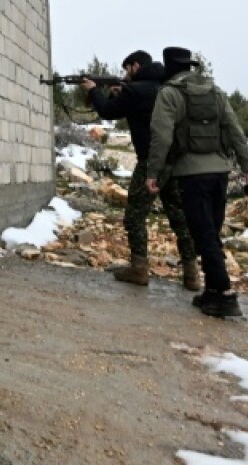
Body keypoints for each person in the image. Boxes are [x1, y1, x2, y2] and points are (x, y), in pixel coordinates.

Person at [144, 47, 248, 318]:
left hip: (189, 173)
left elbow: (161, 137)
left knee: (203, 233)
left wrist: (153, 173)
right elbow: (234, 130)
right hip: (219, 172)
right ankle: (212, 292)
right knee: (211, 232)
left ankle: (224, 293)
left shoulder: (169, 94)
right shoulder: (215, 92)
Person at [82, 51, 201, 289]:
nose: (126, 74)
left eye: (127, 69)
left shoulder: (136, 91)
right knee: (179, 217)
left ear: (136, 66)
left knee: (135, 215)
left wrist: (94, 91)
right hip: (175, 161)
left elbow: (107, 111)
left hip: (151, 162)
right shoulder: (165, 87)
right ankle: (191, 274)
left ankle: (139, 269)